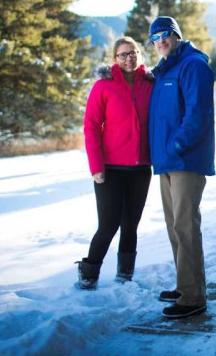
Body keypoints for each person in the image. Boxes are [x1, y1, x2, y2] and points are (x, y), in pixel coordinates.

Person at [148, 16, 215, 319]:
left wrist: (176, 145)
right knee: (175, 226)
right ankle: (184, 284)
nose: (159, 41)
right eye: (154, 37)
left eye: (164, 35)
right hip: (167, 161)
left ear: (176, 36)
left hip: (185, 159)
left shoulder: (193, 65)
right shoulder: (166, 69)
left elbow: (197, 114)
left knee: (185, 226)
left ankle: (192, 297)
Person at [77, 37, 153, 290]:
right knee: (108, 224)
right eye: (122, 54)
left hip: (141, 168)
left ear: (139, 54)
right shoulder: (104, 86)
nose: (128, 58)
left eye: (132, 53)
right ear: (115, 58)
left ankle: (125, 275)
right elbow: (90, 126)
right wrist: (96, 166)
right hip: (110, 168)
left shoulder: (150, 84)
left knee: (131, 224)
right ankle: (88, 271)